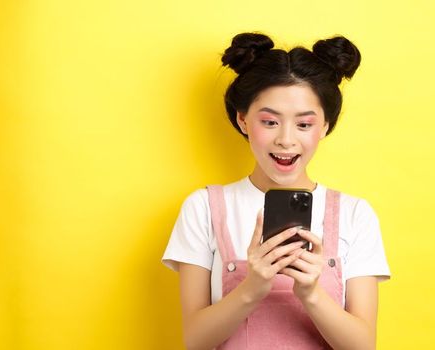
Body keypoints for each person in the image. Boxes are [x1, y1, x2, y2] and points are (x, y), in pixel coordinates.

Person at [161, 32, 391, 350]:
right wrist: (252, 288)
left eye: (304, 124)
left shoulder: (355, 214)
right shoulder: (203, 207)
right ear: (242, 120)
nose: (286, 139)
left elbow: (363, 346)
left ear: (325, 125)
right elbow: (195, 341)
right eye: (270, 122)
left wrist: (311, 294)